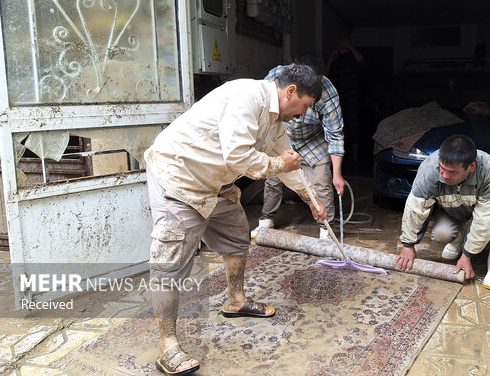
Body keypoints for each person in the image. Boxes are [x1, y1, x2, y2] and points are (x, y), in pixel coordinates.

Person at [144, 64, 327, 375]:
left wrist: (312, 199)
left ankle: (236, 300)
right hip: (179, 175)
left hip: (215, 180)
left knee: (236, 236)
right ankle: (168, 345)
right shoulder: (246, 97)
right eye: (304, 107)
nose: (303, 116)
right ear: (291, 91)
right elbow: (240, 157)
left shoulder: (275, 121)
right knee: (170, 261)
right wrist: (278, 164)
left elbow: (289, 162)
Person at [395, 134, 490, 291]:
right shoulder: (429, 170)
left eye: (452, 172)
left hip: (485, 210)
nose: (444, 176)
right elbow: (415, 208)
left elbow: (484, 220)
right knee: (441, 234)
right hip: (454, 210)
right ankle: (459, 238)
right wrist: (408, 244)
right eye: (443, 169)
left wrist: (467, 255)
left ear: (471, 167)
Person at [250, 53, 345, 240]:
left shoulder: (328, 92)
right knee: (273, 177)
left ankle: (327, 230)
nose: (303, 113)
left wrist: (337, 174)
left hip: (313, 141)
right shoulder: (273, 82)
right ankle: (266, 220)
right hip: (280, 133)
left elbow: (335, 134)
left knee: (321, 182)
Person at [326, 37, 363, 164]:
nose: (342, 49)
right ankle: (339, 158)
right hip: (337, 102)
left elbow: (361, 62)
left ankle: (355, 159)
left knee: (354, 130)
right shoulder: (336, 62)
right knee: (337, 130)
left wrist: (350, 47)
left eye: (344, 47)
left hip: (352, 100)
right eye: (340, 46)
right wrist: (332, 58)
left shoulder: (353, 60)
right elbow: (325, 75)